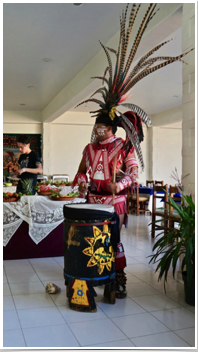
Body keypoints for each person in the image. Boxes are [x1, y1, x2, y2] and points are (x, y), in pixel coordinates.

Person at [73, 112, 139, 298]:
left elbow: (133, 172)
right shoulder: (89, 148)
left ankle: (119, 280)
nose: (97, 129)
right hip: (93, 201)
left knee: (113, 241)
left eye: (101, 126)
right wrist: (82, 181)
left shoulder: (123, 146)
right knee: (93, 240)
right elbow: (81, 172)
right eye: (96, 126)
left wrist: (119, 185)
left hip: (114, 201)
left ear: (110, 127)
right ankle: (97, 274)